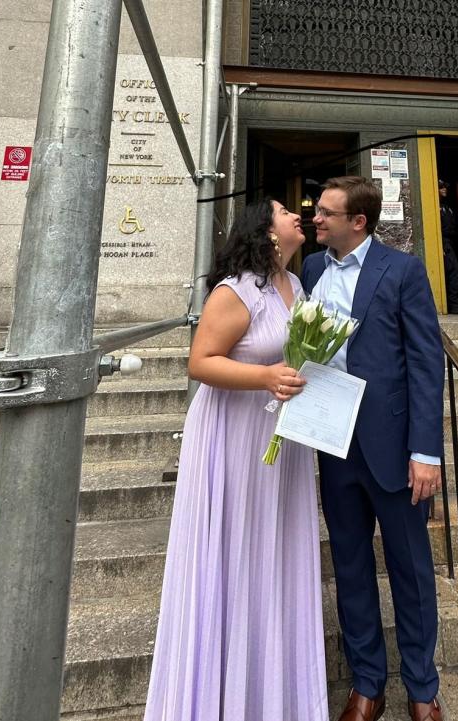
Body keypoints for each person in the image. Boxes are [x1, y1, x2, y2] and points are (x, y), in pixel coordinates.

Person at [142, 199, 328, 721]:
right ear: (265, 232)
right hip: (235, 433)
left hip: (280, 434)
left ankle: (272, 694)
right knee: (236, 542)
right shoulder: (238, 290)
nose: (299, 215)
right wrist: (266, 377)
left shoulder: (297, 287)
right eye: (285, 211)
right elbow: (200, 362)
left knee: (273, 546)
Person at [302, 176, 446, 721]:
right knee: (351, 565)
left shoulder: (403, 271)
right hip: (333, 443)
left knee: (411, 571)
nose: (315, 220)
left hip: (393, 448)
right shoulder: (312, 269)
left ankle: (422, 688)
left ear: (357, 222)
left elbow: (426, 364)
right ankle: (367, 684)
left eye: (325, 215)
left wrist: (426, 452)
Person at [438, 180, 458, 314]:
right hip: (444, 242)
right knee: (453, 271)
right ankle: (453, 306)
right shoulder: (435, 208)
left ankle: (454, 304)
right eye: (441, 187)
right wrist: (441, 244)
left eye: (445, 187)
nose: (444, 190)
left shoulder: (448, 207)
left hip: (451, 242)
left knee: (454, 272)